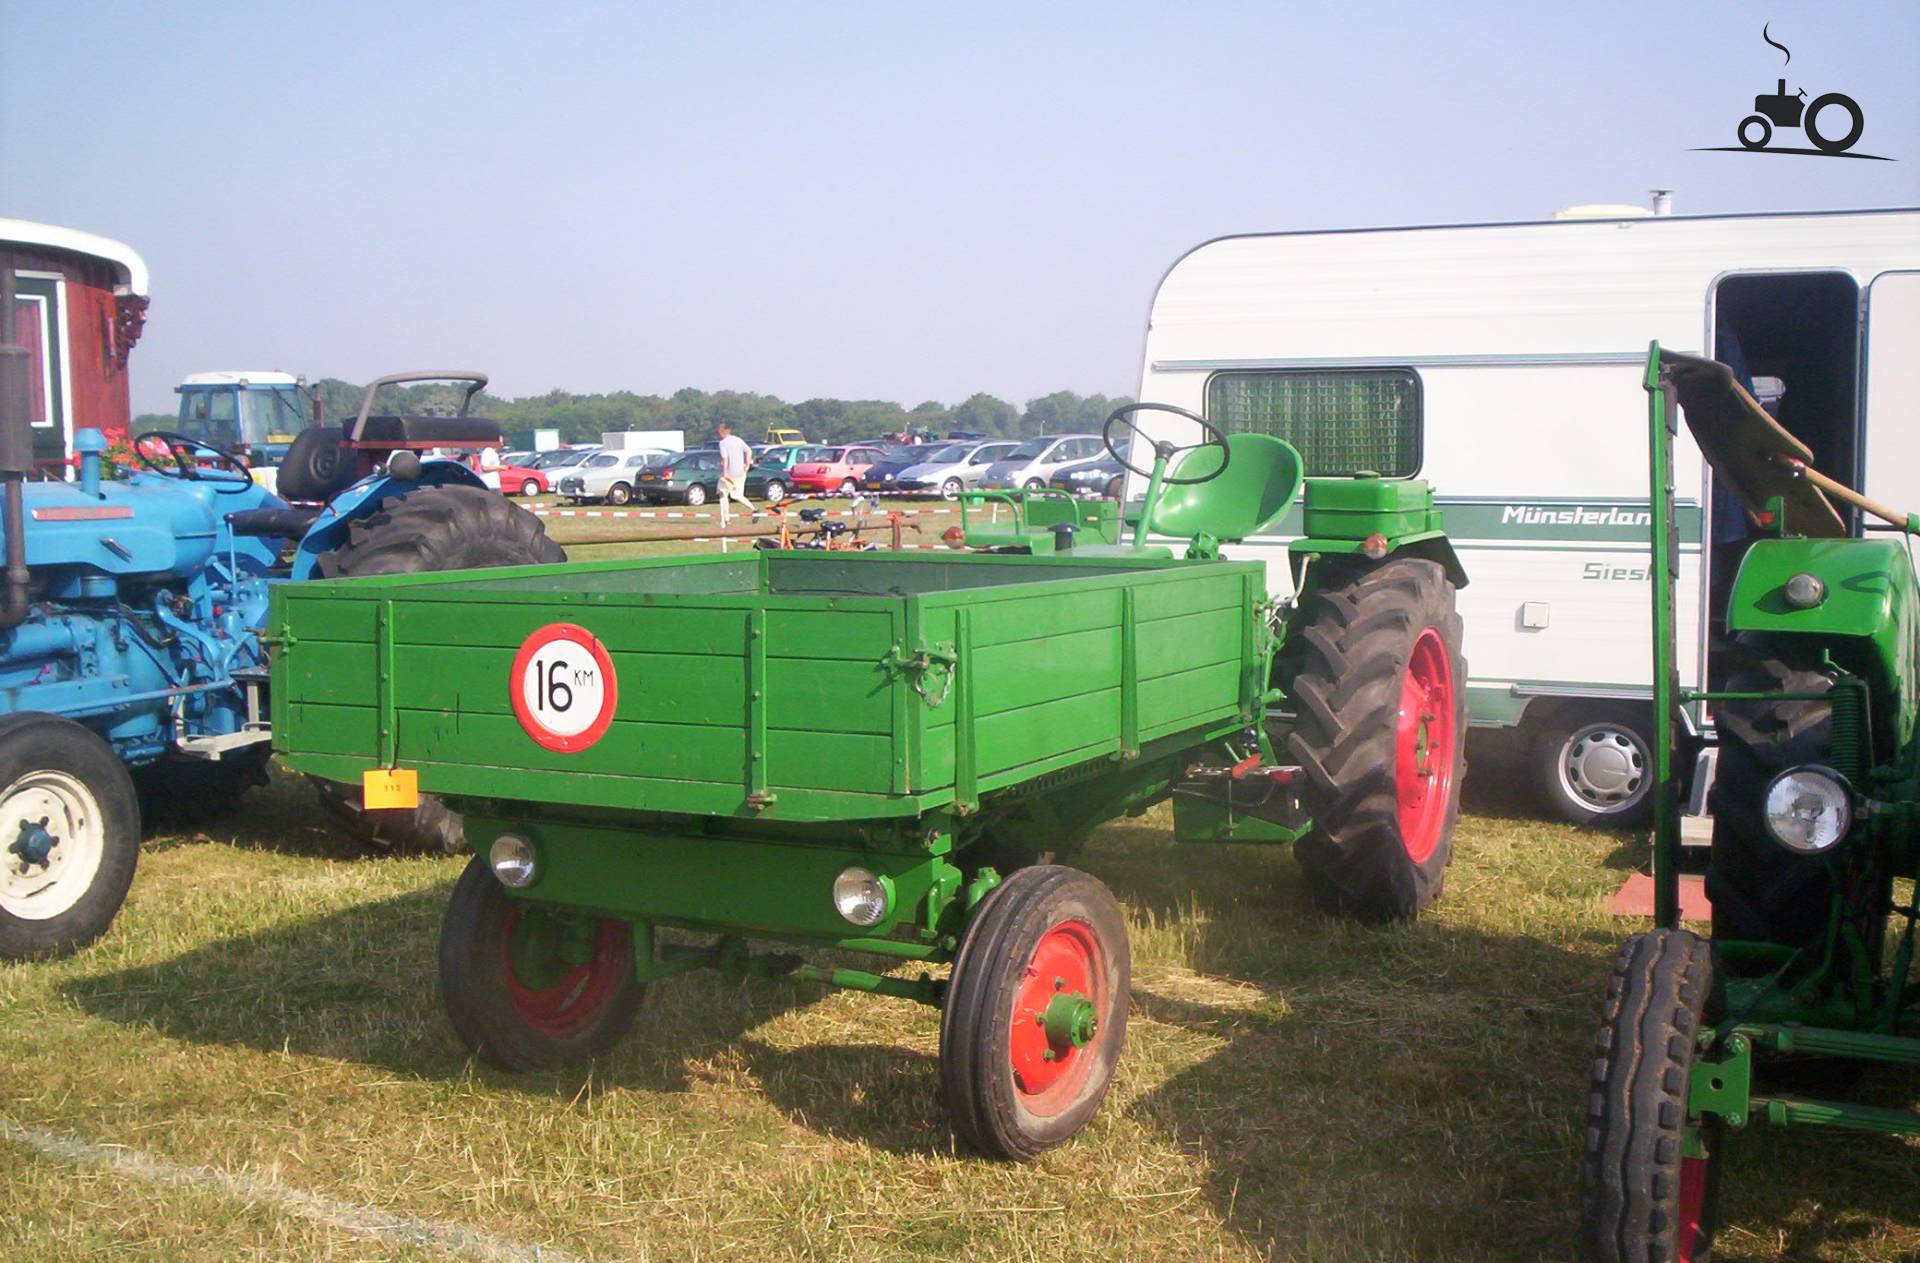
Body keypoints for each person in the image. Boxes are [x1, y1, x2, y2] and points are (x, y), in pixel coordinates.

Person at [714, 422, 756, 527]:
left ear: (722, 432)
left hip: (730, 473)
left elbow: (725, 459)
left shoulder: (723, 443)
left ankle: (725, 520)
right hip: (741, 472)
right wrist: (747, 464)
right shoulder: (738, 440)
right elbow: (749, 451)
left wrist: (725, 473)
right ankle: (754, 509)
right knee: (738, 495)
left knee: (723, 494)